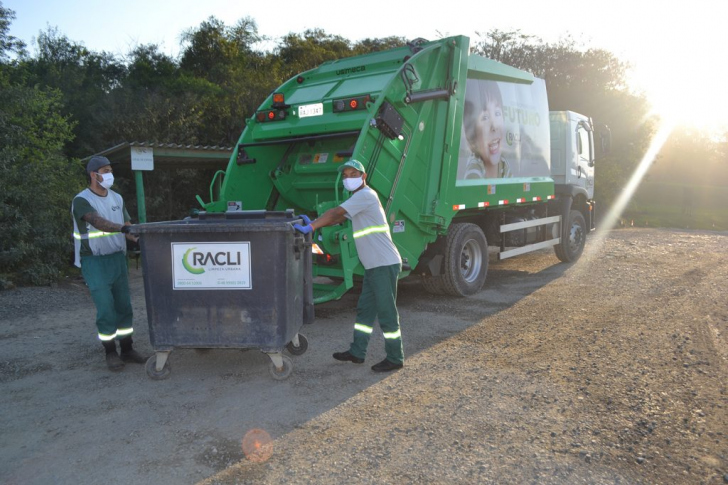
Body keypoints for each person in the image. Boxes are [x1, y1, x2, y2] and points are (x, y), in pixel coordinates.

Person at [293, 160, 404, 372]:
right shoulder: (357, 199)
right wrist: (316, 221)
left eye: (353, 174)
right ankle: (357, 352)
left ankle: (395, 357)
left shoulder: (366, 196)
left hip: (384, 264)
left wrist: (311, 226)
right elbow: (338, 218)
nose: (348, 178)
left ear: (363, 177)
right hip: (373, 266)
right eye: (345, 175)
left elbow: (335, 213)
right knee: (365, 310)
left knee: (387, 313)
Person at [71, 156, 146, 371]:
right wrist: (123, 229)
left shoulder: (117, 198)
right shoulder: (82, 200)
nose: (109, 174)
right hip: (94, 262)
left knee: (124, 307)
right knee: (106, 309)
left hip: (117, 260)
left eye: (111, 169)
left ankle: (128, 349)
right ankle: (110, 353)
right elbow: (97, 222)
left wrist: (140, 237)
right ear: (94, 175)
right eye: (105, 170)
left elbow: (127, 226)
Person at [460, 79, 512, 179]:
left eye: (497, 113)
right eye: (485, 117)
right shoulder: (473, 169)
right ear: (472, 135)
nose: (494, 126)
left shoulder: (504, 164)